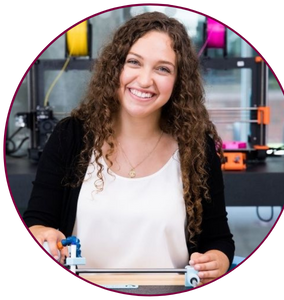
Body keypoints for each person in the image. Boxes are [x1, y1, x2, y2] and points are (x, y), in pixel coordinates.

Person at [23, 11, 235, 284]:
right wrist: (43, 235)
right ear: (115, 67)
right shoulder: (71, 136)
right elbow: (36, 221)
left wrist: (217, 260)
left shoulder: (197, 147)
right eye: (134, 62)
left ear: (179, 81)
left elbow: (218, 239)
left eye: (163, 69)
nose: (145, 81)